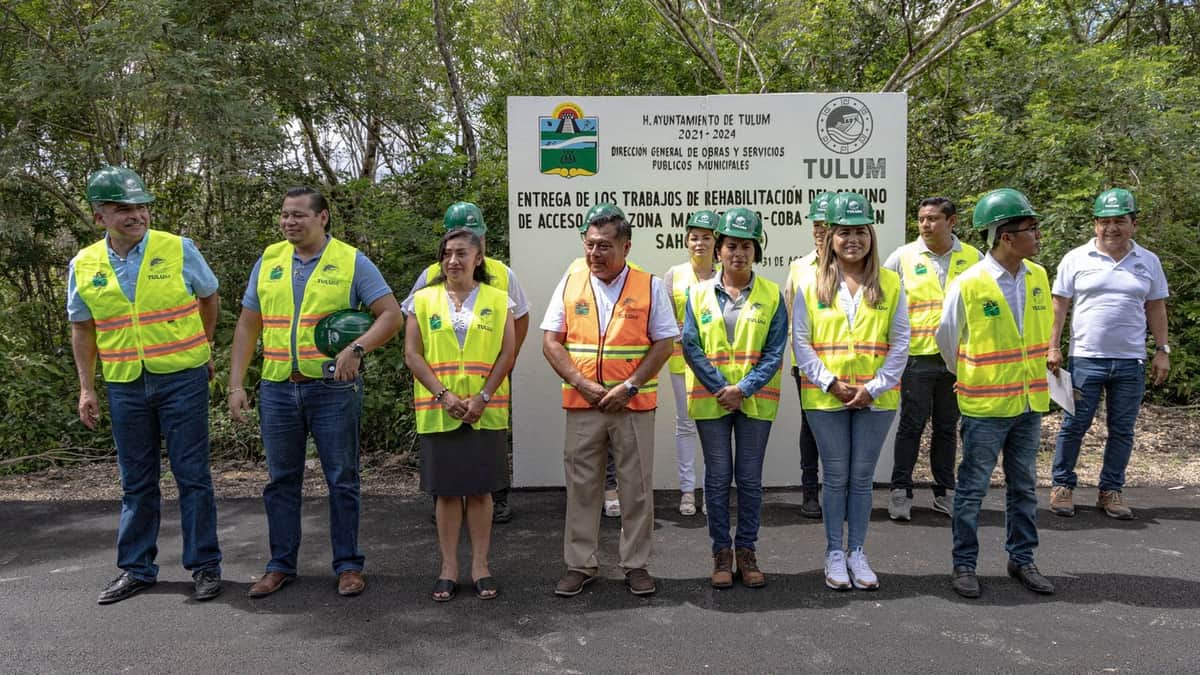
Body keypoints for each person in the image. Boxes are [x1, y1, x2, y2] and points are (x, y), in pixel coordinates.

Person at [229, 187, 403, 598]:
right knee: (281, 481)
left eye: (299, 215)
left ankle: (347, 565)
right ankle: (280, 566)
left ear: (322, 217)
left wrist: (357, 348)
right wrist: (236, 383)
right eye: (285, 215)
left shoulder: (351, 261)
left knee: (341, 479)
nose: (289, 222)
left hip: (332, 389)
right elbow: (247, 325)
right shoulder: (269, 260)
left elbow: (391, 315)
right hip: (277, 388)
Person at [69, 166, 223, 605]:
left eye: (141, 206)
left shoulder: (178, 248)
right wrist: (86, 387)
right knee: (136, 482)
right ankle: (137, 569)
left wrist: (205, 346)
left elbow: (208, 296)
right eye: (123, 209)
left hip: (182, 378)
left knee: (193, 476)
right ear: (100, 218)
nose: (136, 215)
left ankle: (205, 566)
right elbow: (83, 328)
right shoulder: (84, 263)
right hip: (125, 385)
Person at [541, 203, 676, 597]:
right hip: (584, 404)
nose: (595, 254)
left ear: (626, 247)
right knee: (582, 487)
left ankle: (636, 565)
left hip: (631, 405)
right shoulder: (570, 282)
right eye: (590, 244)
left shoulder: (649, 285)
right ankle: (580, 565)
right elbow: (551, 341)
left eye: (605, 246)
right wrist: (580, 383)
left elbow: (664, 343)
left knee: (635, 487)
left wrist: (630, 385)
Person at [936, 188, 1055, 599]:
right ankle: (964, 564)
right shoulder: (968, 283)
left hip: (1028, 402)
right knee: (972, 489)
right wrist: (967, 373)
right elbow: (947, 339)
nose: (1038, 236)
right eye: (1031, 228)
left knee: (1023, 487)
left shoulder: (1038, 276)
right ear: (1006, 236)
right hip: (985, 405)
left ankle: (1022, 559)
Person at [794, 192, 908, 591]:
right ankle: (833, 553)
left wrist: (873, 387)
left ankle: (857, 551)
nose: (852, 239)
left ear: (871, 236)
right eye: (844, 232)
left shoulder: (891, 283)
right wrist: (832, 383)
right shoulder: (810, 282)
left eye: (860, 231)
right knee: (835, 476)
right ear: (831, 238)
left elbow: (901, 343)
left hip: (876, 399)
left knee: (862, 480)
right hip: (827, 397)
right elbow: (801, 343)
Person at [404, 228, 516, 601]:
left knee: (482, 492)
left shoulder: (500, 300)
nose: (453, 260)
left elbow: (507, 354)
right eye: (447, 254)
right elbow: (413, 354)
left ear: (478, 257)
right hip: (441, 411)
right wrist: (444, 395)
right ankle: (448, 568)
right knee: (447, 494)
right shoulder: (422, 300)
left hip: (485, 410)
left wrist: (483, 396)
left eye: (462, 253)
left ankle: (481, 566)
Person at [1048, 188, 1170, 520]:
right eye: (1104, 221)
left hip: (1131, 361)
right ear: (1094, 224)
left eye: (1119, 221)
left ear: (1134, 223)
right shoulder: (1076, 258)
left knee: (1122, 429)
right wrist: (1053, 346)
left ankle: (1110, 491)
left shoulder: (1148, 261)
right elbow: (1059, 306)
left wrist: (1162, 350)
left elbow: (1156, 308)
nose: (1111, 228)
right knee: (1074, 426)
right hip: (1086, 358)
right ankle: (1062, 486)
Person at [406, 202, 530, 523]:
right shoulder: (431, 276)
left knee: (488, 453)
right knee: (446, 465)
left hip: (488, 381)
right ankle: (444, 502)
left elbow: (520, 318)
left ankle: (498, 498)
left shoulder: (503, 273)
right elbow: (414, 329)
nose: (456, 258)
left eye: (476, 236)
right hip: (441, 389)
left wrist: (506, 356)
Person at [682, 208, 787, 588]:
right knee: (717, 477)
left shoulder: (772, 294)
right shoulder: (696, 294)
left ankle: (747, 550)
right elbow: (691, 346)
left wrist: (742, 388)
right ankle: (720, 553)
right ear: (718, 250)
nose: (737, 253)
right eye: (730, 245)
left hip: (754, 402)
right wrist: (720, 388)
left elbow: (776, 352)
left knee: (749, 479)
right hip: (712, 402)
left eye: (745, 246)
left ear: (756, 251)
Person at [883, 197, 982, 521]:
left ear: (952, 222)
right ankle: (901, 491)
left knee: (946, 427)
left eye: (933, 219)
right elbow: (882, 300)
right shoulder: (903, 257)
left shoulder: (973, 258)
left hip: (957, 358)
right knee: (911, 425)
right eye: (921, 219)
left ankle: (944, 492)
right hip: (918, 356)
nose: (926, 225)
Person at [783, 191, 836, 519]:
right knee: (811, 428)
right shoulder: (800, 267)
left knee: (839, 432)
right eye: (815, 224)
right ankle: (809, 492)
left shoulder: (853, 266)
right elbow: (791, 313)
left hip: (846, 362)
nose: (819, 231)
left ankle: (836, 491)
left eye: (826, 225)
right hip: (805, 364)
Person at [663, 209, 719, 516]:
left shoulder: (724, 276)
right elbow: (665, 317)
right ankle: (687, 491)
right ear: (686, 240)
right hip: (681, 362)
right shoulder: (674, 275)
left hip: (717, 364)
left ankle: (713, 491)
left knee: (714, 428)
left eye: (706, 238)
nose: (699, 243)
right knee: (685, 425)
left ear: (716, 241)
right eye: (694, 237)